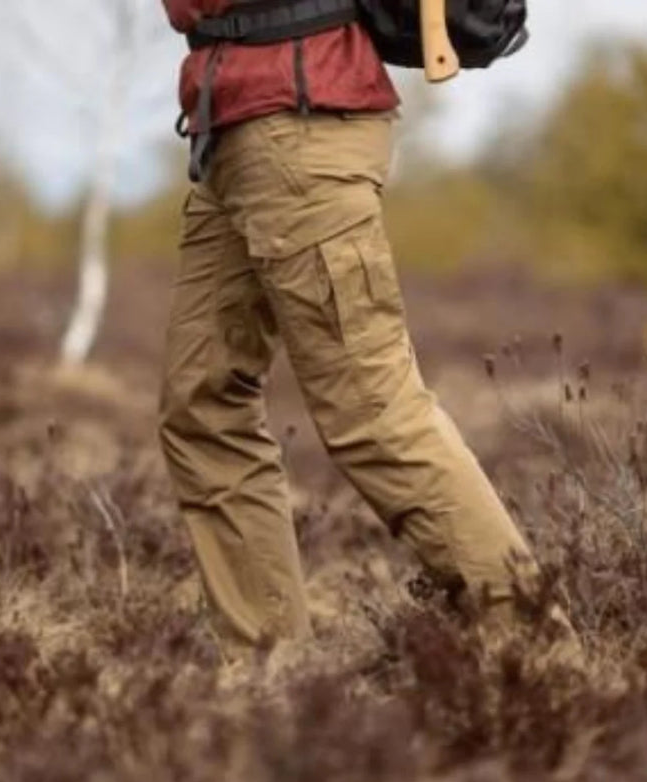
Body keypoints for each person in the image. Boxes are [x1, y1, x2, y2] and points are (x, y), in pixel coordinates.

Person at [158, 0, 577, 650]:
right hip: (233, 124)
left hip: (296, 130)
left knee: (373, 408)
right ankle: (269, 666)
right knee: (201, 407)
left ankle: (538, 658)